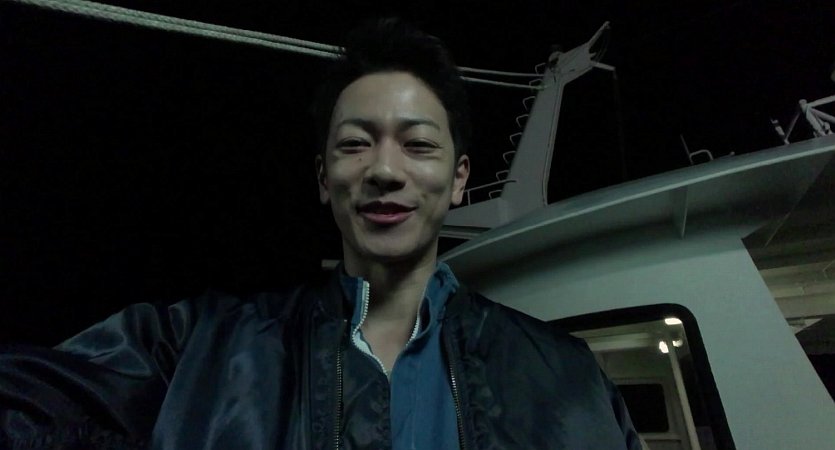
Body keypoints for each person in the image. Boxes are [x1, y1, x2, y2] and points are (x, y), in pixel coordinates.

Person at [0, 18, 641, 449]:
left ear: (458, 180)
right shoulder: (195, 349)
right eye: (355, 143)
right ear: (322, 178)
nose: (384, 170)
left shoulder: (567, 378)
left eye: (418, 144)